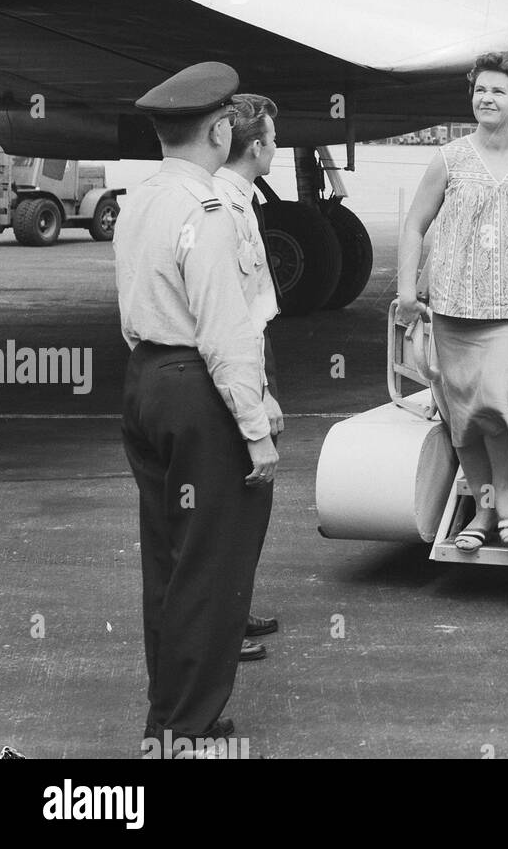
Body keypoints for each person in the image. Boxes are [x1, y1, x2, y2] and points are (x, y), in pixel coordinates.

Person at [113, 62, 276, 756]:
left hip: (146, 381)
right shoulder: (207, 210)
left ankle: (168, 716)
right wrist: (256, 430)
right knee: (213, 563)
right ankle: (189, 728)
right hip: (196, 386)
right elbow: (224, 330)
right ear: (218, 129)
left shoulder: (139, 199)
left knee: (170, 562)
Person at [396, 51, 508, 551]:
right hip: (454, 307)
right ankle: (483, 507)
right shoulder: (449, 159)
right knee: (462, 413)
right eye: (480, 90)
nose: (486, 98)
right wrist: (409, 292)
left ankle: (507, 495)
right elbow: (414, 224)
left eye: (498, 90)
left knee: (494, 397)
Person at [213, 92, 284, 664]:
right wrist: (258, 394)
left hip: (253, 356)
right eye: (273, 139)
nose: (277, 147)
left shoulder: (240, 199)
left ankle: (234, 606)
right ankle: (221, 624)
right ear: (256, 147)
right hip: (241, 364)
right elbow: (233, 315)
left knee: (249, 502)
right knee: (237, 500)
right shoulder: (226, 205)